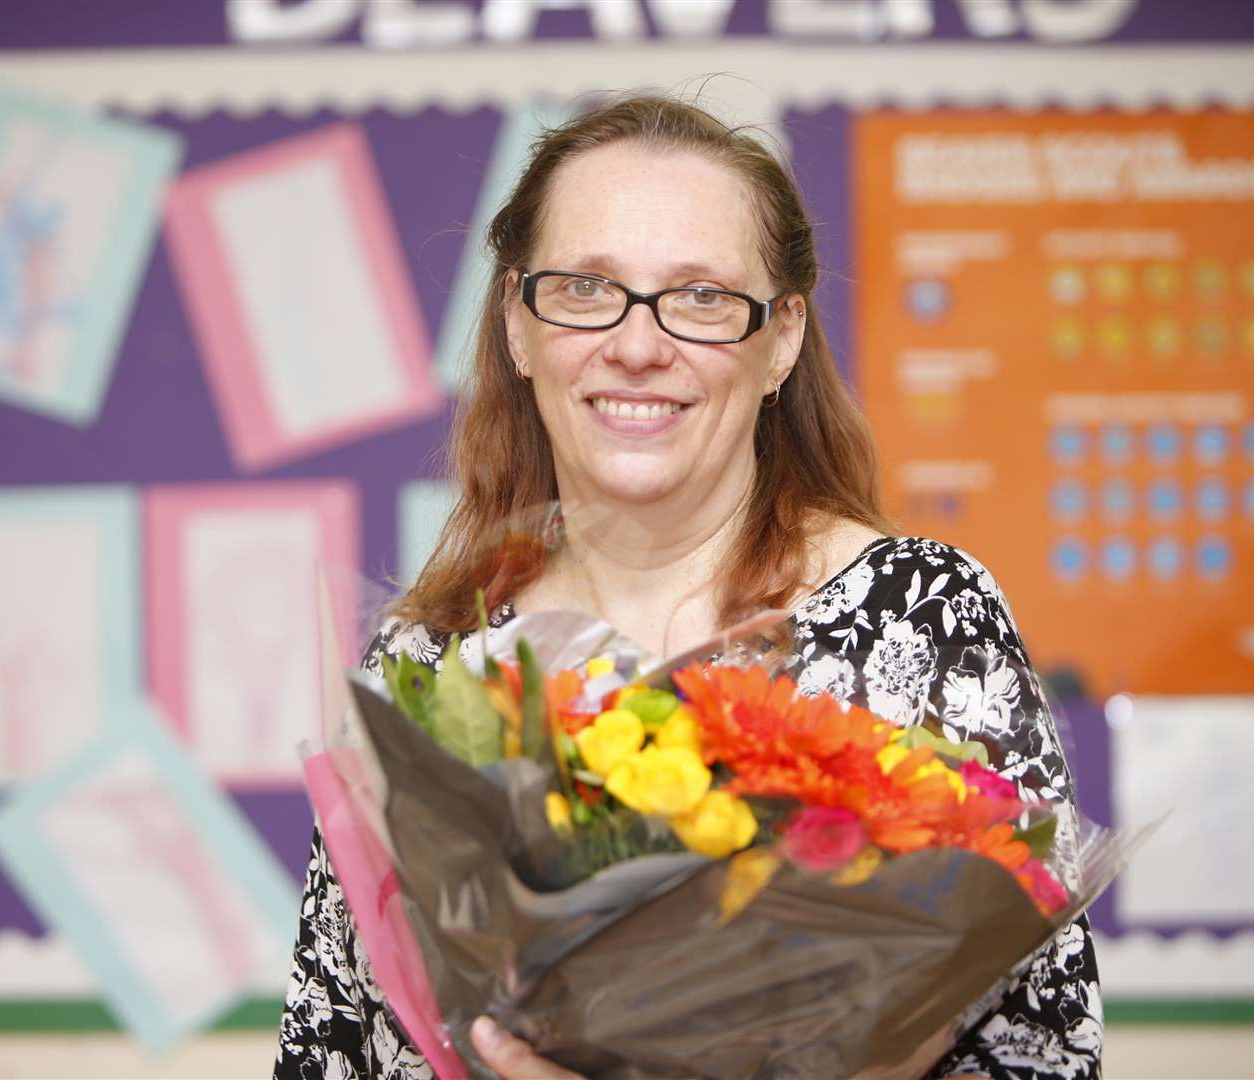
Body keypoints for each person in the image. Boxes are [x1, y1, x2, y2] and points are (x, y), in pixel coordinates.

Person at [275, 95, 1101, 1080]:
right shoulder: (425, 666)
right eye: (587, 286)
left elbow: (1040, 1053)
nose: (638, 343)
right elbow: (333, 1048)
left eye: (701, 295)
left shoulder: (918, 623)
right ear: (519, 324)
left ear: (782, 340)